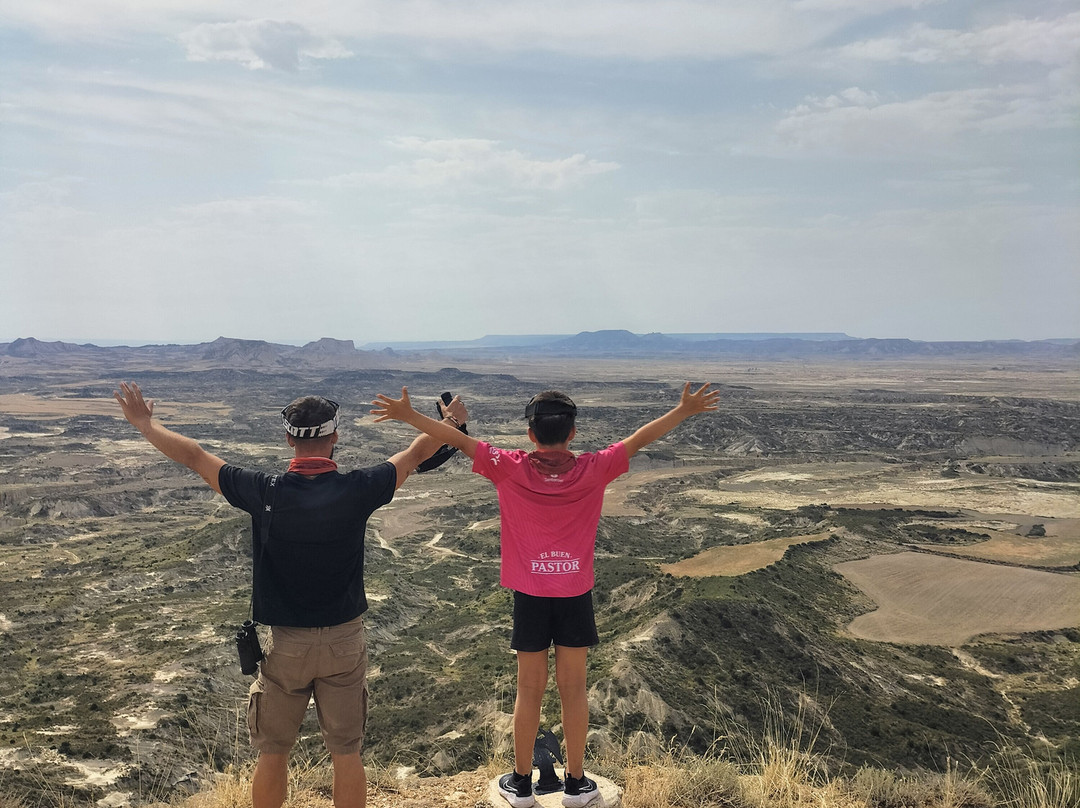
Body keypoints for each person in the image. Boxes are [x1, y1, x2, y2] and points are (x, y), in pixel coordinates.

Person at [113, 382, 467, 808]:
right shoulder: (359, 488)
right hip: (344, 642)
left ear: (287, 439)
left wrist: (145, 424)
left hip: (285, 647)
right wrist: (450, 422)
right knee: (346, 753)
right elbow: (415, 454)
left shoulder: (265, 492)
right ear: (334, 437)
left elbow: (194, 456)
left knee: (273, 751)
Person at [372, 382, 719, 808]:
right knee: (574, 689)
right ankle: (575, 784)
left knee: (528, 690)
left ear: (530, 434)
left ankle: (520, 784)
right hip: (575, 593)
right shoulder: (595, 466)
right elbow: (640, 439)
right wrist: (683, 410)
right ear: (572, 433)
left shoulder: (509, 466)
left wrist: (410, 417)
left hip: (530, 594)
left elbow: (455, 439)